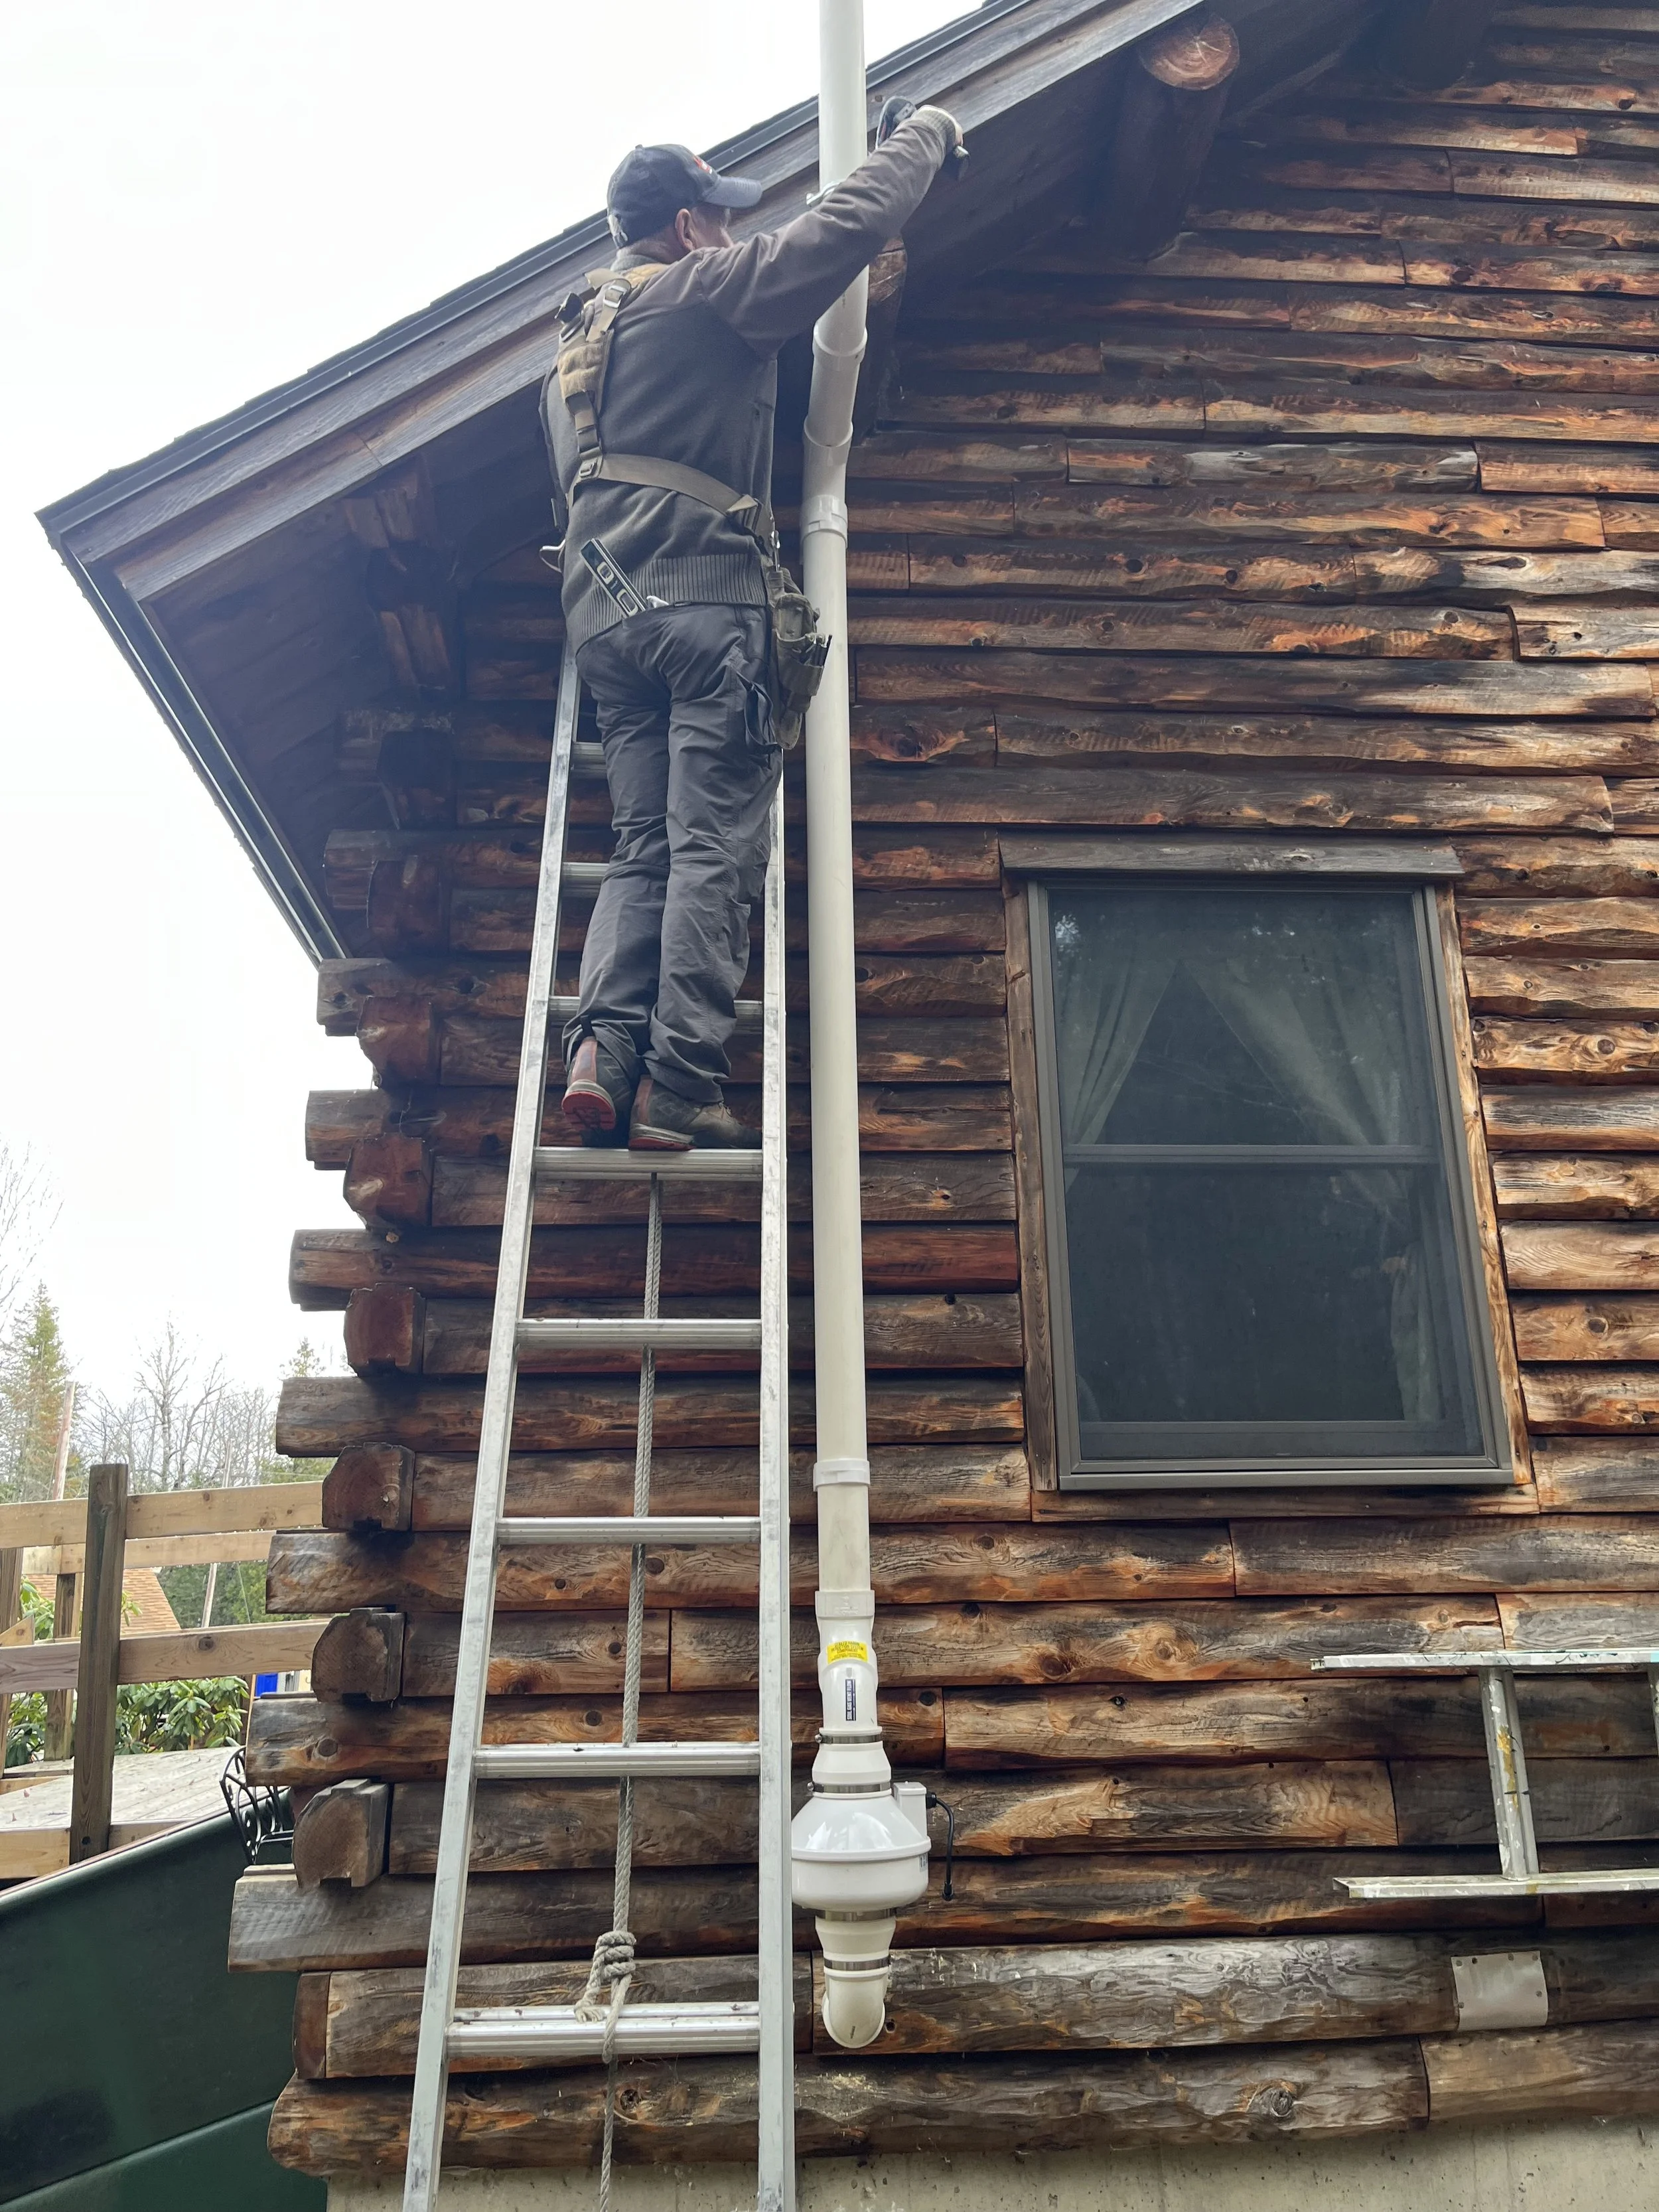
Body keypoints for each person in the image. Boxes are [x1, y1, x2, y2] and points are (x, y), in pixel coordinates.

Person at [542, 106, 962, 1149]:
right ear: (688, 228)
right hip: (701, 605)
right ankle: (678, 1085)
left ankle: (602, 1050)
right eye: (720, 219)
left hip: (606, 622)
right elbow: (848, 224)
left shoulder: (572, 348)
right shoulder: (706, 291)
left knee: (642, 847)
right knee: (712, 851)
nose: (733, 235)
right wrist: (925, 135)